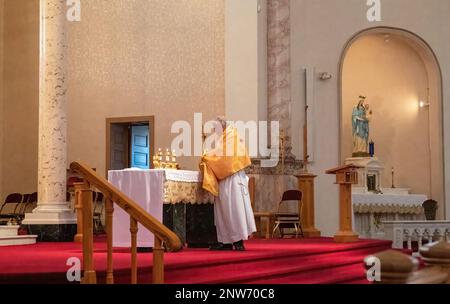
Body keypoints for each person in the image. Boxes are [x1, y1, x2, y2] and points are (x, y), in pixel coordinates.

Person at [200, 117, 256, 251]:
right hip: (226, 179)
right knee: (224, 210)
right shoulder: (227, 136)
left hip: (231, 179)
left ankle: (237, 241)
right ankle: (225, 241)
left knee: (233, 210)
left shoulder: (231, 137)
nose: (214, 131)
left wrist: (206, 157)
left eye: (215, 129)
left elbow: (224, 160)